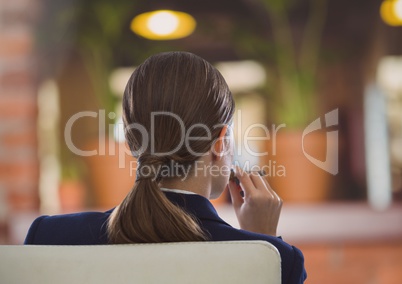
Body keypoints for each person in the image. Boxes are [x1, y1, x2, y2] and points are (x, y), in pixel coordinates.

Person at [25, 51, 307, 283]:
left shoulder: (49, 237)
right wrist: (263, 246)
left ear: (132, 139)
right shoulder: (279, 260)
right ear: (220, 143)